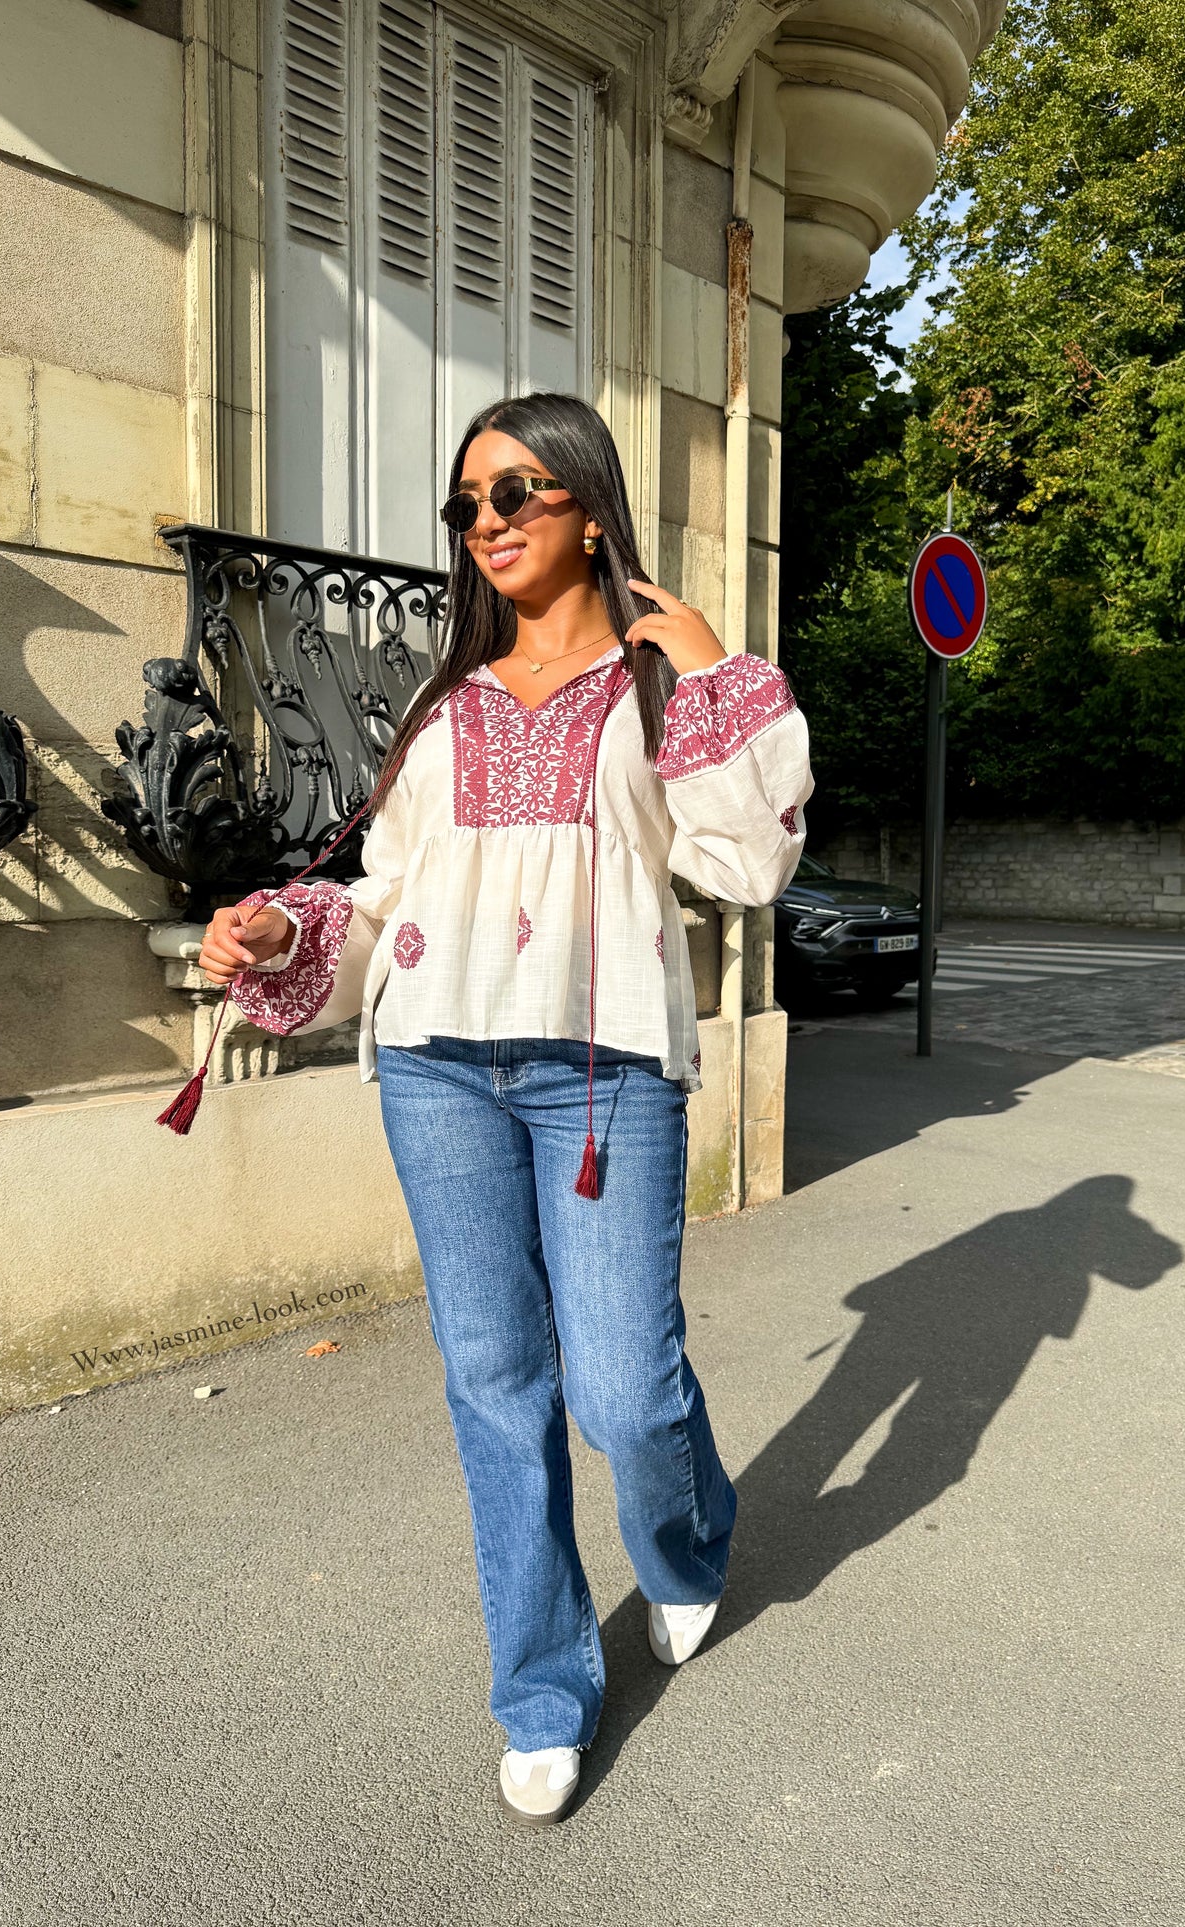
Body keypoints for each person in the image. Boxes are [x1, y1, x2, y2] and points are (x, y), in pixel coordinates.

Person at [198, 392, 812, 1824]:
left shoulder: (662, 686)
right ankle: (541, 1687)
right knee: (494, 1387)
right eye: (466, 502)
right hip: (434, 1070)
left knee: (622, 1388)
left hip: (600, 1072)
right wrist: (287, 938)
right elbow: (385, 901)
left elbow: (746, 867)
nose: (486, 522)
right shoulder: (446, 709)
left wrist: (718, 670)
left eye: (518, 490)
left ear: (588, 507)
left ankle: (685, 1536)